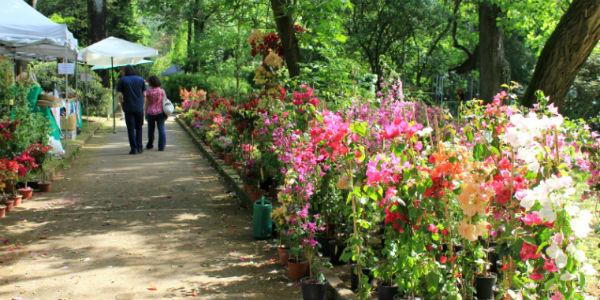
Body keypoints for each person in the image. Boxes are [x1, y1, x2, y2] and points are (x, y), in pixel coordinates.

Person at [116, 66, 145, 154]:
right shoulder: (141, 79)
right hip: (139, 107)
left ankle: (134, 149)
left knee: (131, 129)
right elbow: (144, 94)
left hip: (128, 108)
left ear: (125, 71)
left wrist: (122, 105)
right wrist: (142, 105)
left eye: (123, 70)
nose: (122, 72)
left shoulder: (122, 80)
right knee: (139, 128)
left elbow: (120, 95)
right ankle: (140, 147)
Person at [144, 75, 167, 151]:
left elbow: (146, 103)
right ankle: (161, 147)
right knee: (161, 129)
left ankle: (150, 144)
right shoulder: (162, 91)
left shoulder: (148, 92)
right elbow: (165, 102)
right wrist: (166, 113)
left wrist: (145, 113)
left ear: (150, 83)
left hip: (150, 113)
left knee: (150, 130)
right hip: (160, 113)